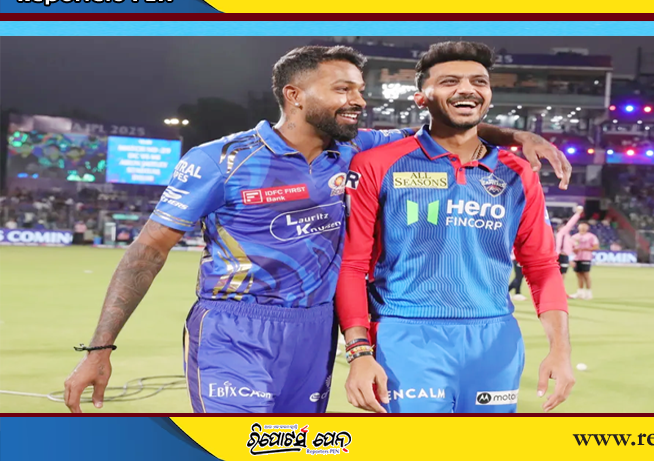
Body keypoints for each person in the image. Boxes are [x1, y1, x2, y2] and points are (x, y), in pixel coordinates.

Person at [62, 44, 573, 414]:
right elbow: (147, 253)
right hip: (235, 327)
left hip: (316, 330)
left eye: (360, 89)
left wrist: (518, 135)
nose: (359, 100)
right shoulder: (221, 160)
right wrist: (100, 349)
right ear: (295, 95)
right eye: (343, 89)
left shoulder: (357, 147)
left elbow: (447, 128)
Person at [336, 41, 574, 414]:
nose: (467, 89)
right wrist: (359, 351)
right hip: (405, 337)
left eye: (479, 81)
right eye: (450, 81)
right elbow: (351, 265)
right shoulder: (376, 163)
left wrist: (560, 349)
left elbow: (542, 266)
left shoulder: (519, 172)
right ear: (421, 97)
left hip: (495, 341)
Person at [570, 222, 600, 299]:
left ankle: (589, 292)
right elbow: (570, 248)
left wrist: (584, 249)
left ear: (587, 228)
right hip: (576, 258)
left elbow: (596, 247)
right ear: (578, 228)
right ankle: (580, 292)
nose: (583, 228)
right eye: (581, 227)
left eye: (584, 227)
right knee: (579, 275)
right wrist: (573, 252)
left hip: (586, 258)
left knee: (586, 275)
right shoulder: (574, 237)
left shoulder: (591, 236)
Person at [554, 205, 584, 277]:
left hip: (564, 256)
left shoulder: (567, 237)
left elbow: (572, 247)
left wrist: (571, 259)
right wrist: (577, 214)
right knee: (559, 274)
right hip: (559, 255)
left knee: (562, 274)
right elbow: (570, 224)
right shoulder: (561, 233)